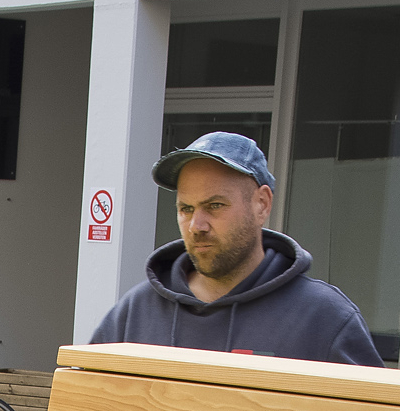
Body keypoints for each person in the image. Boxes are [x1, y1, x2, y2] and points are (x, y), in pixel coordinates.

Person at [94, 130, 383, 366]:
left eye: (215, 205)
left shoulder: (324, 318)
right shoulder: (135, 312)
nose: (197, 225)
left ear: (262, 204)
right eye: (186, 208)